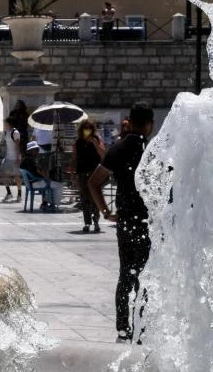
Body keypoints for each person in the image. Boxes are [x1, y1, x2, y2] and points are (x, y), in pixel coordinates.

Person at [88, 103, 154, 344]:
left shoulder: (117, 148)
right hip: (148, 222)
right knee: (146, 276)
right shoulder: (153, 150)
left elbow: (94, 182)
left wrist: (106, 211)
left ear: (131, 121)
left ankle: (122, 328)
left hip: (126, 221)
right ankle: (141, 326)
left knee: (126, 273)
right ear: (150, 125)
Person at [71, 119, 106, 233]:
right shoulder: (77, 142)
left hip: (94, 173)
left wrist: (95, 143)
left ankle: (96, 221)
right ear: (81, 130)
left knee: (95, 198)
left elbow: (103, 154)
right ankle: (87, 223)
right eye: (85, 128)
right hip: (82, 173)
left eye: (89, 128)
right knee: (84, 199)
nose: (87, 130)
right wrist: (73, 173)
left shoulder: (97, 140)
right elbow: (75, 158)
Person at [20, 140, 62, 209]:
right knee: (59, 185)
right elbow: (38, 172)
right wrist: (47, 178)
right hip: (35, 182)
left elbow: (37, 170)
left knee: (52, 183)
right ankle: (52, 204)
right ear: (30, 150)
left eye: (37, 149)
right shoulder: (30, 160)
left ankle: (45, 203)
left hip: (31, 182)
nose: (37, 150)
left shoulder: (26, 160)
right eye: (35, 149)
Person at [1, 117, 22, 203]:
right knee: (5, 176)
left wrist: (18, 158)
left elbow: (17, 146)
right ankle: (9, 193)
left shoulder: (15, 132)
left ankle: (19, 195)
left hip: (14, 157)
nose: (4, 125)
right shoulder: (6, 133)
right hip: (8, 157)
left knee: (16, 176)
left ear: (9, 124)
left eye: (5, 123)